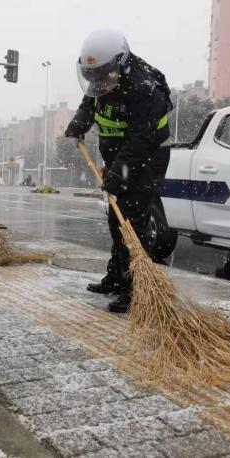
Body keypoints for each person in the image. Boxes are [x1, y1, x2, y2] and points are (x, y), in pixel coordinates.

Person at [64, 29, 173, 313]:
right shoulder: (102, 79)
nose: (98, 82)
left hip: (147, 158)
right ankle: (117, 277)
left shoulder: (145, 89)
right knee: (116, 217)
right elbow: (91, 101)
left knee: (132, 221)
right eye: (93, 77)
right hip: (119, 155)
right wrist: (78, 125)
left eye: (103, 76)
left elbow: (140, 141)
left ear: (121, 63)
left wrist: (116, 177)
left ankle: (137, 289)